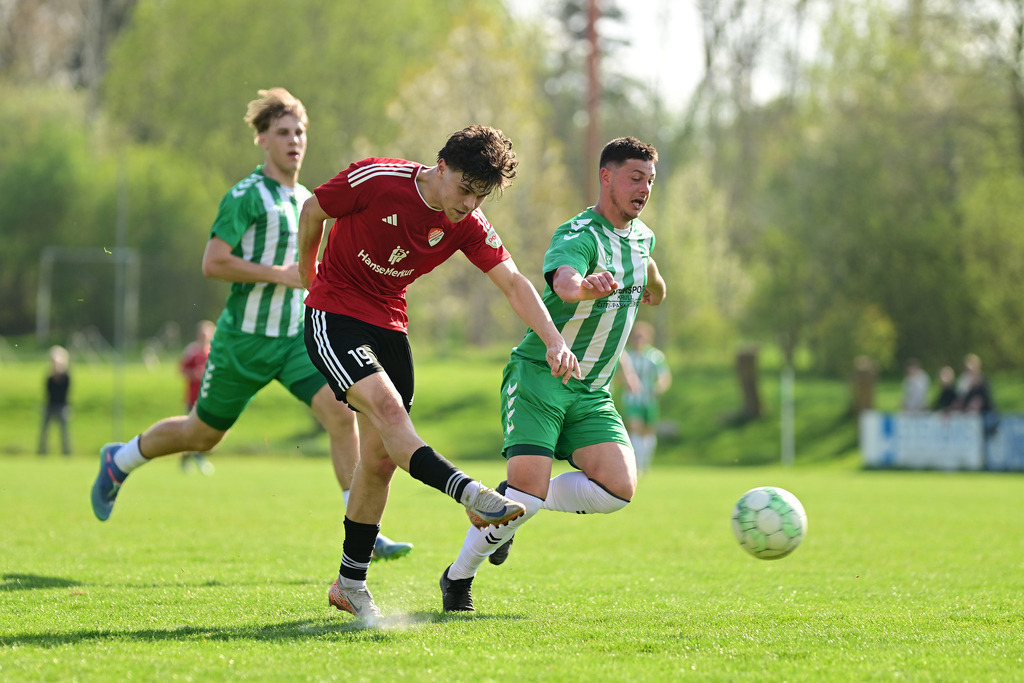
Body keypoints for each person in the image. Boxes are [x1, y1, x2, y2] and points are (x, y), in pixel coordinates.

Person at [89, 88, 411, 562]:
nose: (294, 140)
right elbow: (213, 262)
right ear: (262, 140)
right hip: (243, 342)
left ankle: (363, 529)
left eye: (299, 132)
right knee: (202, 435)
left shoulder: (307, 198)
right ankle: (119, 460)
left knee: (342, 415)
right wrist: (279, 274)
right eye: (282, 132)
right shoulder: (245, 196)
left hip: (296, 339)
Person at [297, 124, 581, 622]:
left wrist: (555, 339)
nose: (469, 204)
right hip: (335, 313)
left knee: (380, 461)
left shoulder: (468, 222)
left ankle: (349, 584)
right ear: (441, 166)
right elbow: (312, 210)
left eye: (480, 196)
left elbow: (513, 282)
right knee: (389, 412)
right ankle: (470, 493)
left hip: (390, 324)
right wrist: (309, 277)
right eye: (464, 189)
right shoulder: (377, 179)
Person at [439, 136, 666, 612]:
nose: (644, 188)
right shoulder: (579, 233)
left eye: (649, 179)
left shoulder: (643, 238)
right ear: (606, 177)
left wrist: (656, 288)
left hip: (592, 392)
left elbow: (649, 274)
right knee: (529, 496)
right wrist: (585, 288)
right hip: (542, 376)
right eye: (634, 178)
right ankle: (458, 578)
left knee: (619, 490)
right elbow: (564, 283)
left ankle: (512, 496)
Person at [618, 320, 671, 473]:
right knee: (635, 428)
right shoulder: (625, 355)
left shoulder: (655, 356)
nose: (638, 339)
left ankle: (644, 464)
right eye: (636, 336)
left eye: (641, 336)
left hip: (649, 400)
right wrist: (626, 381)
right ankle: (634, 466)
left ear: (648, 338)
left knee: (648, 432)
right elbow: (617, 375)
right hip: (632, 400)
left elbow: (664, 376)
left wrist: (659, 387)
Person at [179, 320, 216, 474]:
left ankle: (198, 457)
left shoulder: (214, 352)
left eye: (206, 334)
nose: (204, 337)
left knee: (206, 431)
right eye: (201, 334)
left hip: (208, 399)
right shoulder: (191, 351)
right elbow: (181, 370)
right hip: (192, 399)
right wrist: (193, 374)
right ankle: (189, 459)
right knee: (191, 431)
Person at [38, 345, 71, 456]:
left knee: (64, 431)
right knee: (44, 430)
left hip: (62, 405)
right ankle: (42, 451)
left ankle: (66, 452)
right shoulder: (50, 377)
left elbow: (64, 390)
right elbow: (48, 391)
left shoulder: (66, 377)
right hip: (50, 404)